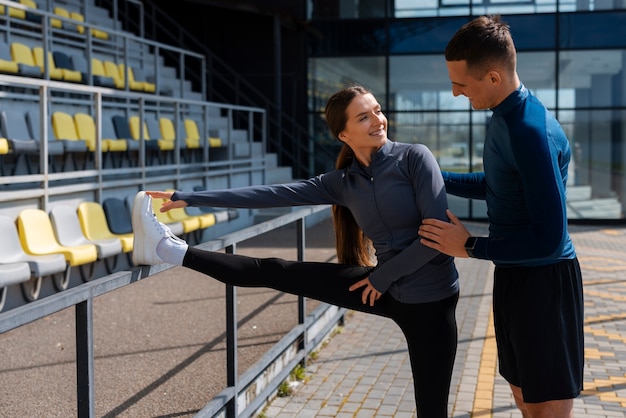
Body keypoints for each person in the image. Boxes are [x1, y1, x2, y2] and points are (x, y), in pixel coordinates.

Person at [132, 84, 459, 417]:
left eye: (377, 110)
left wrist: (381, 279)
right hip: (383, 289)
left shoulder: (414, 157)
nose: (377, 120)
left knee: (432, 411)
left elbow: (437, 239)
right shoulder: (343, 182)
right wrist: (195, 198)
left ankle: (167, 248)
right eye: (364, 116)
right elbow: (272, 194)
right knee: (274, 269)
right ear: (344, 135)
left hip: (428, 301)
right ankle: (168, 249)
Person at [417, 15, 584, 418]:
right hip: (513, 274)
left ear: (492, 77)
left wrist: (470, 246)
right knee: (525, 398)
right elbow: (499, 183)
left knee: (547, 409)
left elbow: (548, 236)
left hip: (546, 282)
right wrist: (431, 173)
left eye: (461, 84)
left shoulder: (529, 129)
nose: (455, 93)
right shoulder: (505, 116)